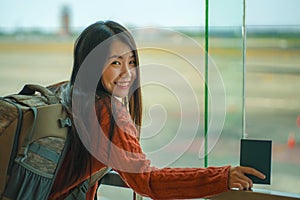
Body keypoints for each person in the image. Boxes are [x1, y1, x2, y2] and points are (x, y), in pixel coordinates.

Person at [48, 20, 265, 199]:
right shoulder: (108, 114)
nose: (128, 73)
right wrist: (223, 177)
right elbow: (148, 182)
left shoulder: (66, 92)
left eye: (132, 62)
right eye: (115, 63)